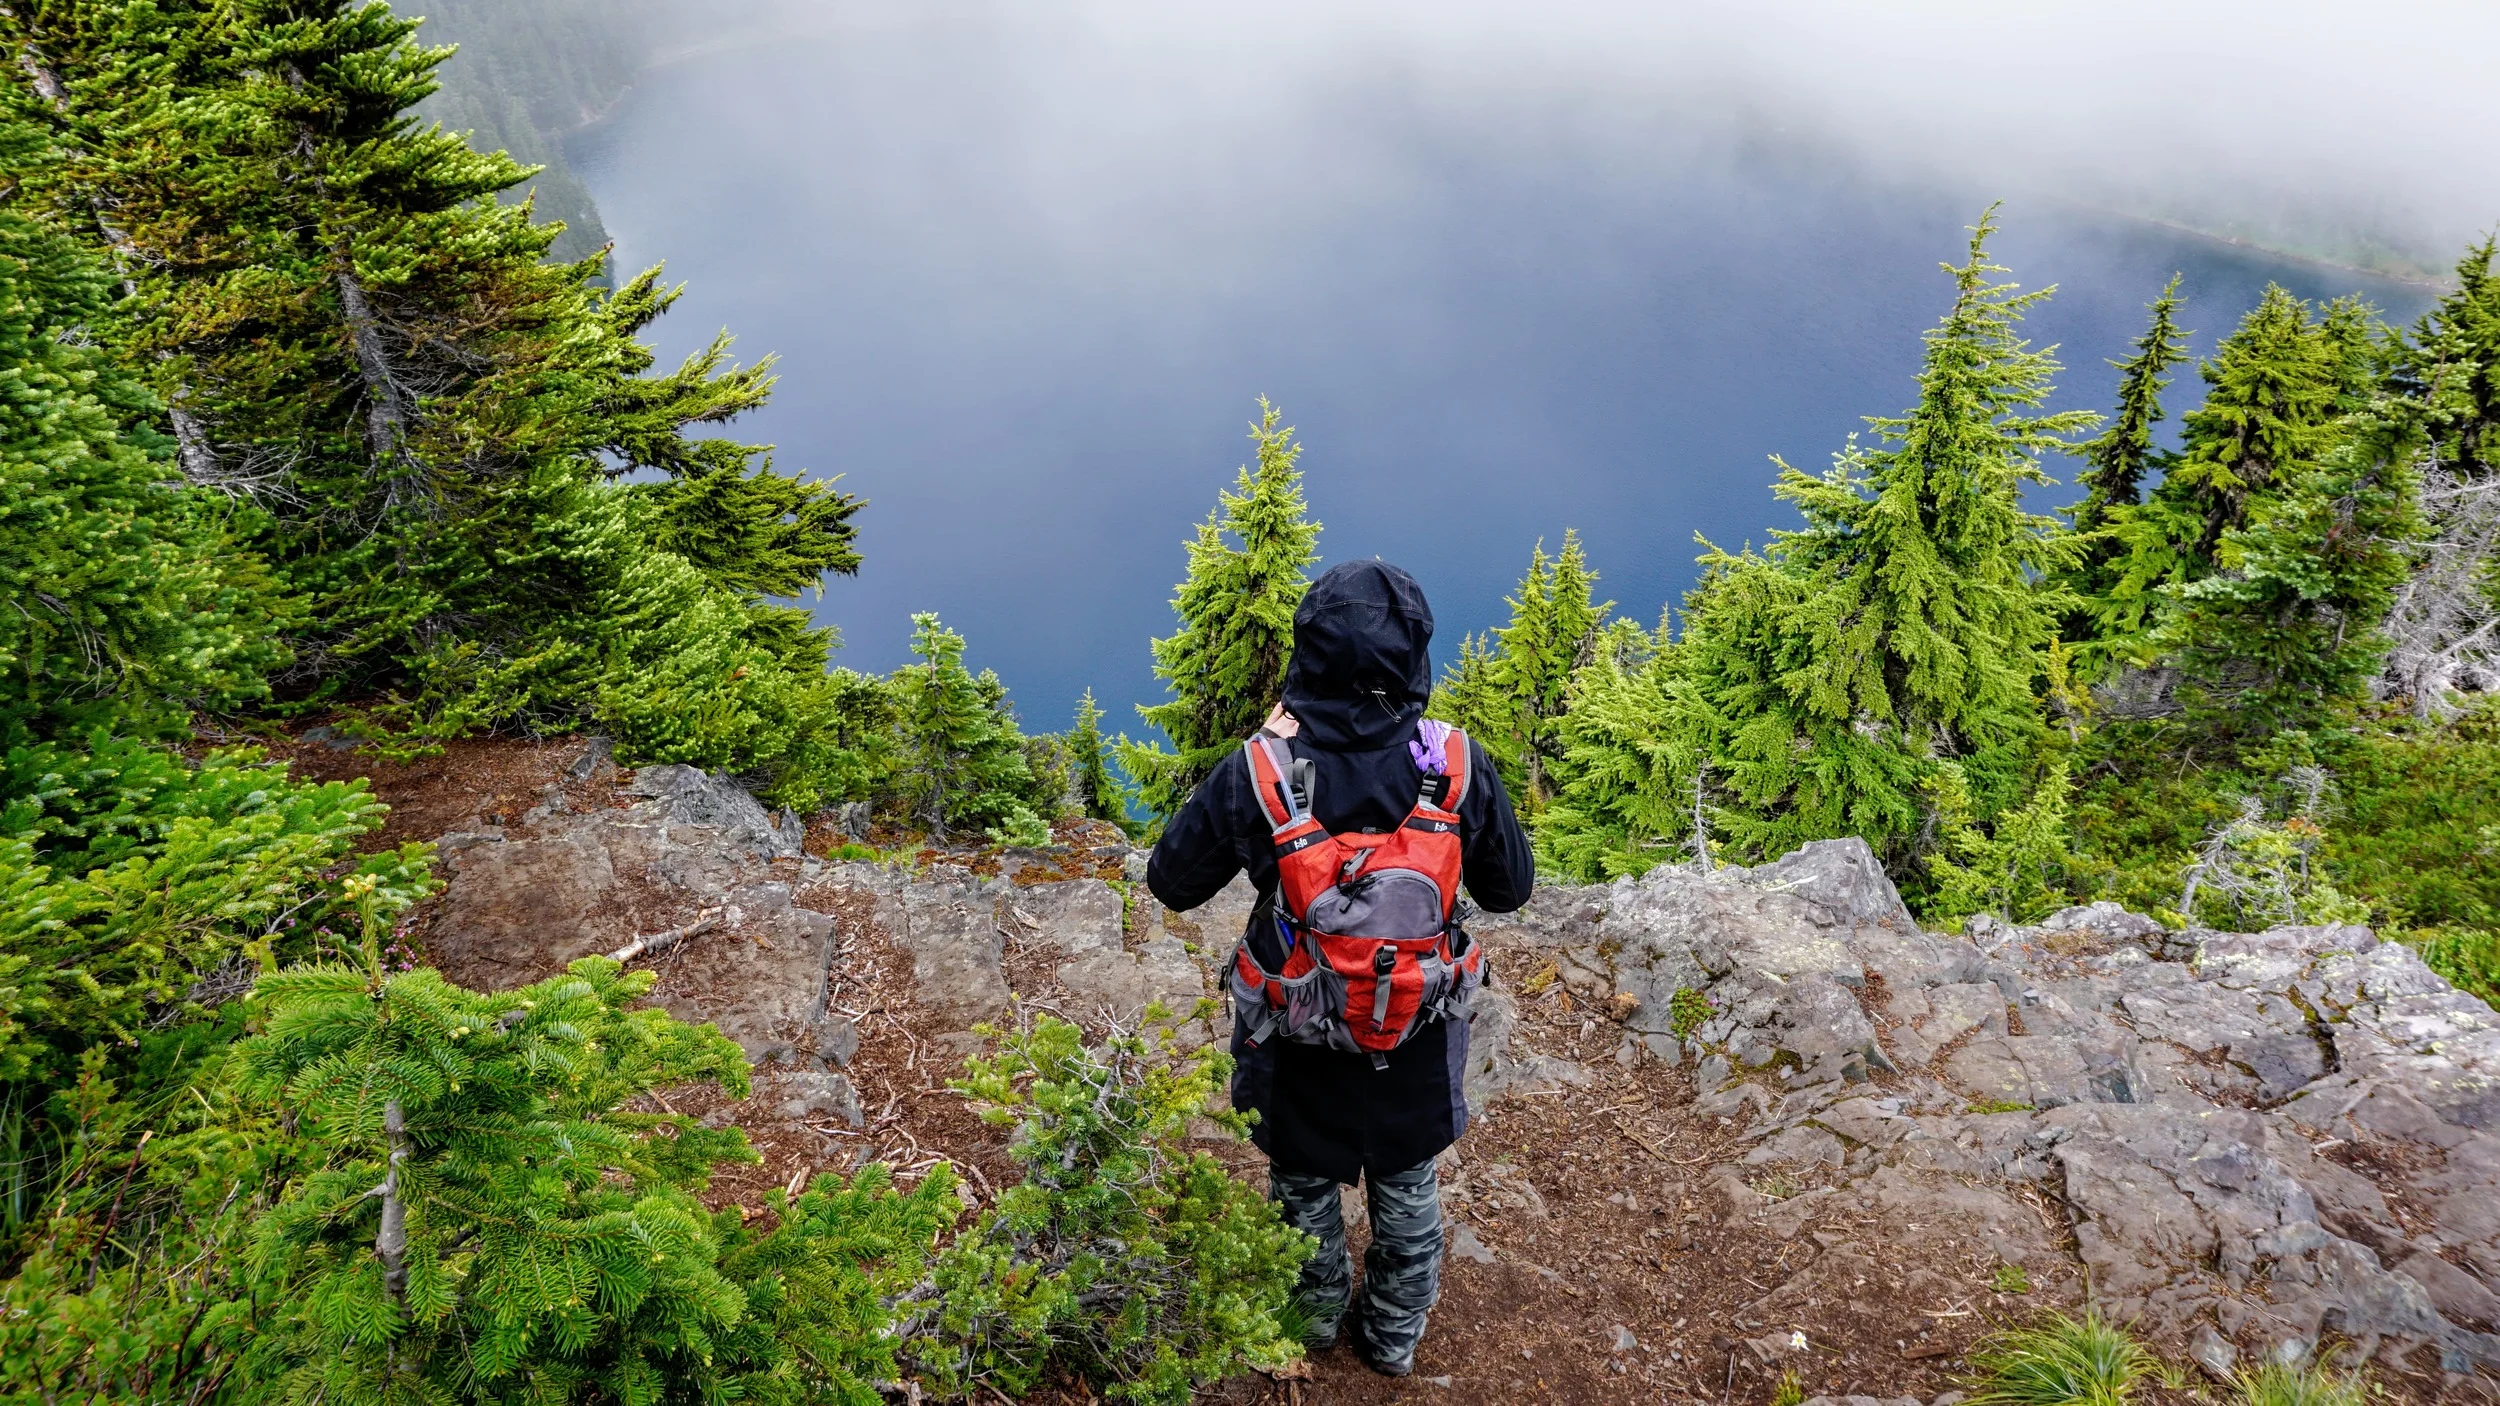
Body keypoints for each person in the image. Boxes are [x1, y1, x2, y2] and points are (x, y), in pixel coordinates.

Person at [1146, 559, 1535, 1378]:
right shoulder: (1455, 765)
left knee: (1301, 1185)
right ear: (1415, 655)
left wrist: (1259, 754)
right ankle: (1392, 1336)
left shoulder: (1263, 769)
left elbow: (1172, 884)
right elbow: (1510, 890)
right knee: (1407, 1186)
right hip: (1413, 1029)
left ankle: (1313, 1317)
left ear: (1308, 652)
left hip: (1298, 1030)